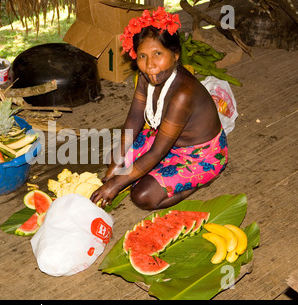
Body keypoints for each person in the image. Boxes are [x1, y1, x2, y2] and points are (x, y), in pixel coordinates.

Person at [90, 7, 228, 210]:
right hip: (164, 139)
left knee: (142, 195)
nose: (150, 64)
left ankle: (201, 180)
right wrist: (114, 168)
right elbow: (135, 118)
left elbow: (156, 153)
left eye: (158, 54)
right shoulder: (147, 76)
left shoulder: (183, 95)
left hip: (200, 154)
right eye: (143, 56)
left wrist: (116, 184)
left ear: (175, 55)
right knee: (115, 157)